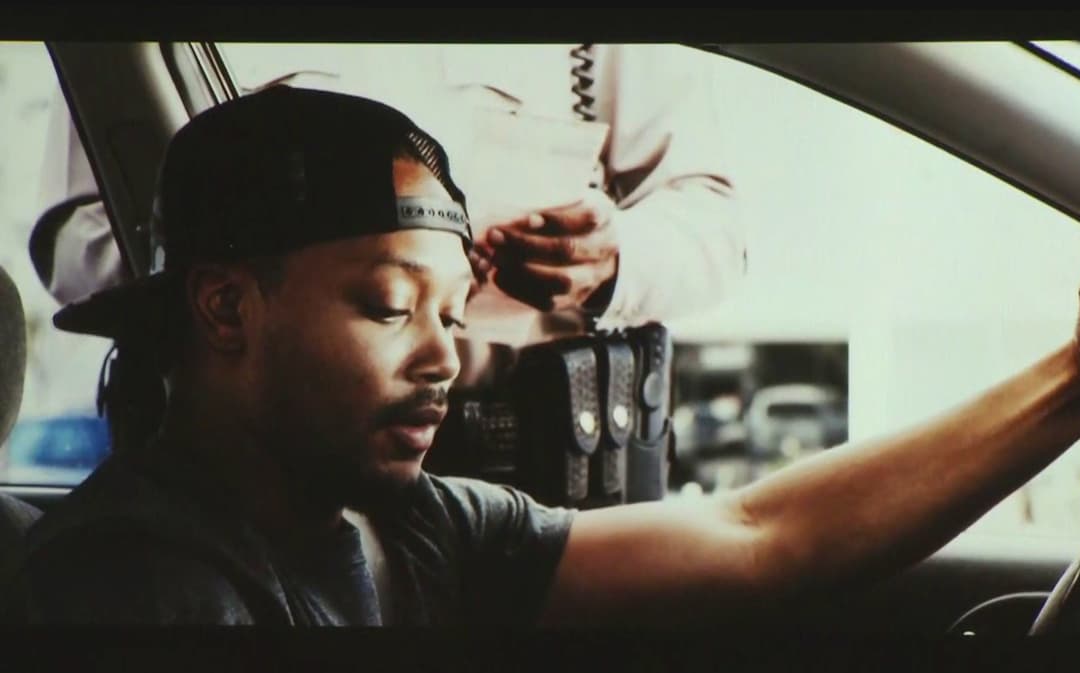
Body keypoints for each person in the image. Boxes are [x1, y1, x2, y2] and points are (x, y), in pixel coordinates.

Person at [6, 87, 1080, 626]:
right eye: (390, 308)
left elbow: (755, 537)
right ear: (225, 309)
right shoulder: (141, 589)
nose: (446, 357)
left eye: (453, 310)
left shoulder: (409, 525)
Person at [32, 43, 743, 504]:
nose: (437, 352)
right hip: (275, 471)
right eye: (387, 306)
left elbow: (715, 231)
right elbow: (78, 232)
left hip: (543, 459)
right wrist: (268, 253)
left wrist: (614, 259)